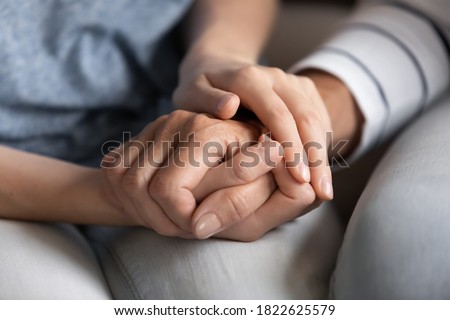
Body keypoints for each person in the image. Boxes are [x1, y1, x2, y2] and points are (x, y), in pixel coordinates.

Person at [0, 0, 448, 300]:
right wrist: (116, 193)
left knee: (251, 295)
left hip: (179, 127)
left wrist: (218, 59)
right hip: (17, 186)